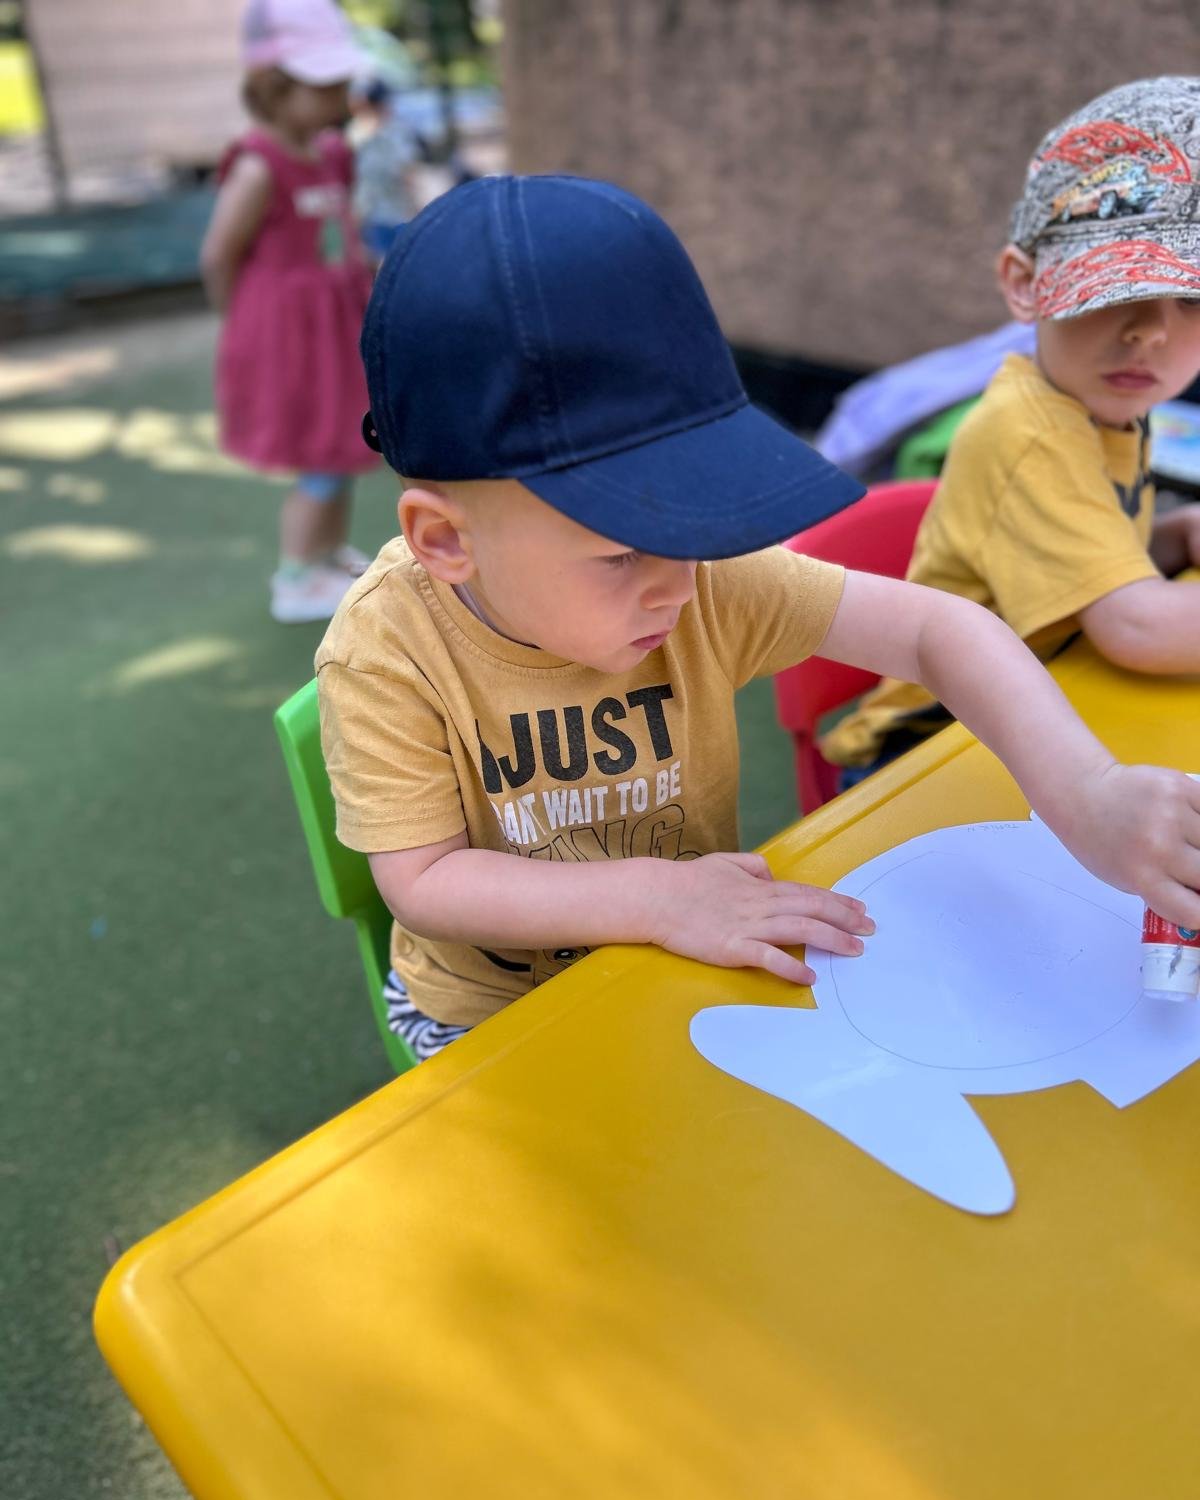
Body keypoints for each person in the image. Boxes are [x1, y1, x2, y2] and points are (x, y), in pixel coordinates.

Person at [315, 175, 1200, 1062]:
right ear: (446, 541)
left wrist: (1087, 794)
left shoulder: (696, 579)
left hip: (682, 951)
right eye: (621, 552)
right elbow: (427, 881)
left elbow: (938, 631)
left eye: (691, 521)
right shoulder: (387, 652)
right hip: (491, 1015)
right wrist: (656, 899)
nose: (676, 585)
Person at [823, 77, 1200, 776]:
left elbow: (1086, 559)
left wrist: (1174, 535)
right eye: (1116, 288)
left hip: (1031, 715)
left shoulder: (1108, 404)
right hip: (925, 753)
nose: (1151, 331)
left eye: (1192, 299)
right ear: (1027, 284)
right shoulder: (1032, 431)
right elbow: (1135, 626)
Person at [200, 0, 380, 624]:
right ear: (274, 88)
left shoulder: (332, 153)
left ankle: (327, 555)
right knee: (320, 454)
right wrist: (246, 328)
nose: (338, 98)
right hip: (291, 338)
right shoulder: (257, 168)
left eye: (340, 84)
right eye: (322, 87)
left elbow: (342, 231)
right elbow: (220, 256)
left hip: (337, 327)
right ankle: (297, 575)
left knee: (341, 442)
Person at [347, 78, 418, 263]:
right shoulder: (354, 133)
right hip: (368, 216)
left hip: (396, 213)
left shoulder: (397, 132)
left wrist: (415, 209)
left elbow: (408, 172)